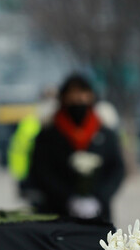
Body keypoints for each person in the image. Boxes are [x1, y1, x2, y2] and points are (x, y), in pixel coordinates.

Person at [28, 74, 125, 222]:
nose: (78, 99)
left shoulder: (105, 133)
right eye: (72, 94)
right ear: (63, 97)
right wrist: (68, 198)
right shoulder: (49, 134)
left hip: (99, 213)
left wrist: (99, 197)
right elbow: (41, 170)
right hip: (56, 212)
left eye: (83, 94)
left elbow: (117, 168)